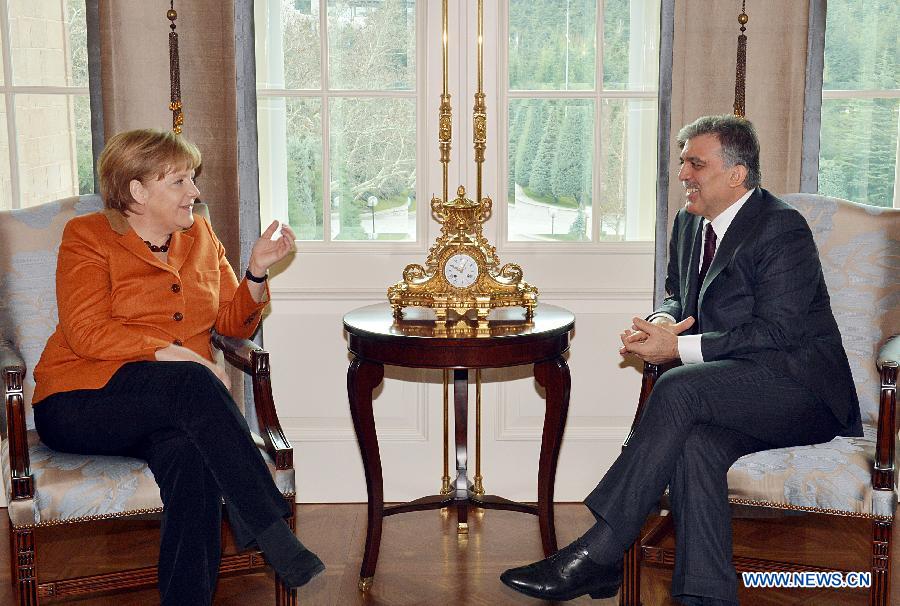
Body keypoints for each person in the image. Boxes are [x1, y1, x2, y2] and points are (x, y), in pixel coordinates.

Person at [500, 114, 862, 605]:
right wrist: (661, 323)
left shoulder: (780, 228)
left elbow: (779, 331)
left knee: (678, 386)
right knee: (695, 447)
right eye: (683, 162)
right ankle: (705, 596)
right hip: (733, 389)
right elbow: (678, 296)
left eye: (696, 163)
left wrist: (680, 350)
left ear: (736, 175)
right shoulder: (689, 223)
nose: (684, 174)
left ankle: (600, 551)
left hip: (801, 391)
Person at [32, 129, 324, 605]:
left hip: (174, 407)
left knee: (192, 460)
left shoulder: (200, 236)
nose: (196, 192)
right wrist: (177, 352)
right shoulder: (87, 237)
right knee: (191, 378)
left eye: (193, 179)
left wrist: (255, 271)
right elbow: (86, 331)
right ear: (136, 192)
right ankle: (271, 526)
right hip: (80, 399)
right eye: (180, 182)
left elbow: (232, 321)